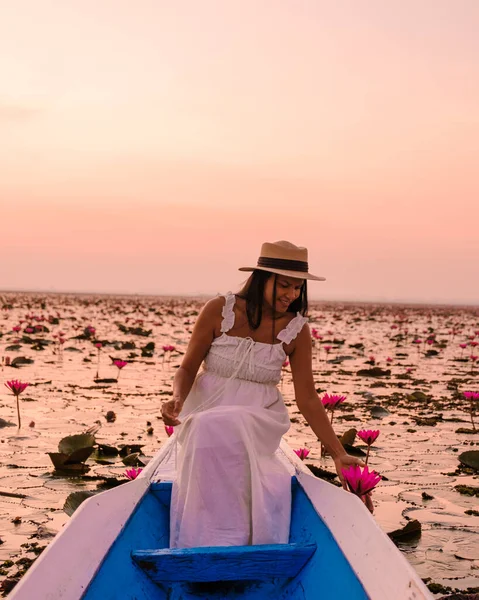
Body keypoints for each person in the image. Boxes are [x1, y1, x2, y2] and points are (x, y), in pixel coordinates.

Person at [161, 240, 370, 549]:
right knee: (206, 426)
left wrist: (338, 452)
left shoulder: (296, 330)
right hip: (206, 405)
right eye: (285, 285)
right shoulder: (219, 310)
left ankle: (233, 544)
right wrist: (177, 398)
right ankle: (203, 544)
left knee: (215, 426)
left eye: (298, 288)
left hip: (258, 416)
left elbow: (308, 398)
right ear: (261, 279)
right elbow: (187, 368)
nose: (292, 294)